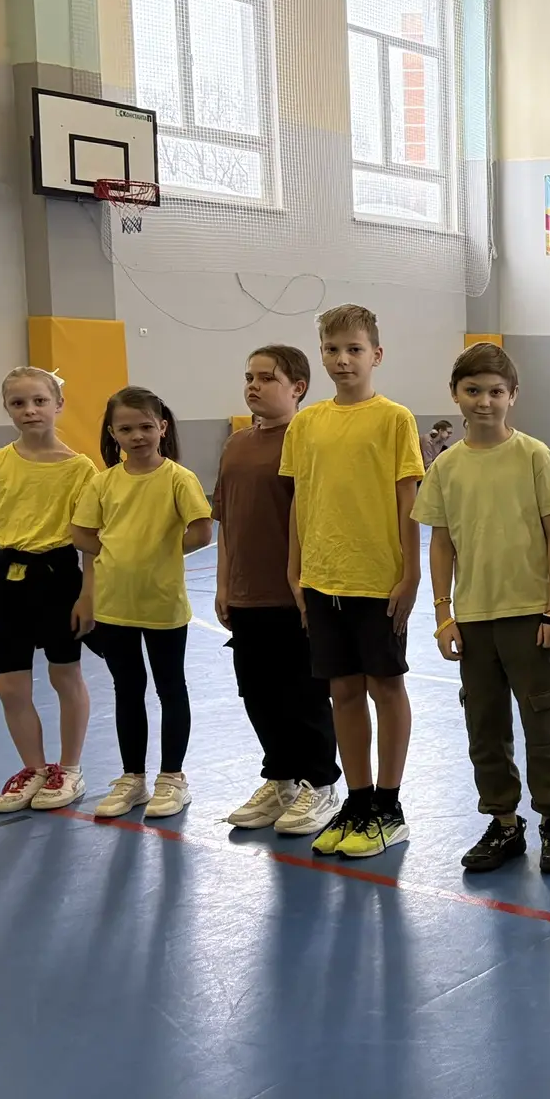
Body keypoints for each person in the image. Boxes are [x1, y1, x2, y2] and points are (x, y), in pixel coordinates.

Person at [417, 343, 550, 874]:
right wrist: (443, 614)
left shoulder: (534, 456)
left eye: (495, 391)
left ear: (513, 395)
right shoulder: (446, 468)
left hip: (531, 617)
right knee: (484, 726)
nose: (484, 401)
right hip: (474, 621)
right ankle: (504, 824)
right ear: (455, 395)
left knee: (545, 724)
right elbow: (441, 544)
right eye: (473, 391)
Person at [281, 303, 425, 859]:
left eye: (354, 349)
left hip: (378, 579)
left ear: (376, 355)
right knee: (342, 691)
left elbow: (407, 500)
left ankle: (389, 805)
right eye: (333, 349)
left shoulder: (394, 419)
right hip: (323, 579)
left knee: (385, 687)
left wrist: (410, 573)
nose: (343, 359)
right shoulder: (307, 424)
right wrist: (296, 569)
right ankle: (359, 800)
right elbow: (301, 500)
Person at [72, 387, 213, 820]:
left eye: (146, 427)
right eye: (126, 429)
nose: (137, 436)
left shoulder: (178, 478)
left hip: (163, 606)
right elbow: (81, 533)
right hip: (115, 606)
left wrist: (160, 553)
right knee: (127, 690)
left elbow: (201, 530)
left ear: (162, 428)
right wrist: (116, 555)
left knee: (171, 687)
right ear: (113, 433)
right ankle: (132, 777)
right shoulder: (103, 482)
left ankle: (172, 777)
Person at [218, 346, 341, 836]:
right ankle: (281, 777)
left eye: (266, 378)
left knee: (304, 693)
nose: (253, 385)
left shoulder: (308, 441)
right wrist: (225, 583)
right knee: (257, 691)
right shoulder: (236, 445)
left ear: (298, 387)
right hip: (246, 594)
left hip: (296, 594)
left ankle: (321, 783)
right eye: (249, 377)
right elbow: (226, 522)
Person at [0, 368, 99, 813]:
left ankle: (70, 769)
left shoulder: (80, 468)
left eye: (40, 401)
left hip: (58, 580)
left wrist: (87, 595)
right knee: (11, 686)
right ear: (7, 408)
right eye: (18, 403)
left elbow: (89, 540)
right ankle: (35, 769)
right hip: (6, 583)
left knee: (65, 675)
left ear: (58, 405)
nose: (30, 410)